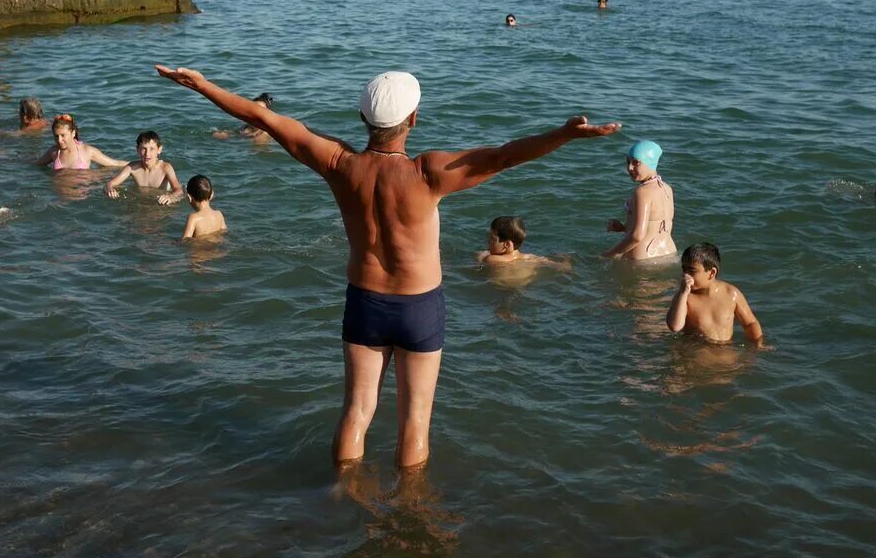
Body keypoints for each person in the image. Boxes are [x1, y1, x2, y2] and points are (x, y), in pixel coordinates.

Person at [154, 63, 620, 469]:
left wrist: (201, 84)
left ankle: (340, 499)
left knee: (356, 410)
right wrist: (563, 135)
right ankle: (407, 513)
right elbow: (502, 156)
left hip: (365, 302)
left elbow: (263, 116)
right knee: (415, 419)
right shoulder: (427, 173)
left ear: (362, 118)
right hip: (419, 306)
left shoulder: (340, 164)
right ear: (413, 119)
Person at [667, 243, 764, 345]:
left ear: (712, 273)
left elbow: (750, 323)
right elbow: (675, 326)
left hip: (726, 354)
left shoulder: (731, 293)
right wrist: (682, 293)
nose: (685, 275)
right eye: (684, 269)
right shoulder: (685, 297)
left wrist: (758, 344)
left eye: (691, 271)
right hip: (696, 356)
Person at [605, 139, 676, 259]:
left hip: (643, 258)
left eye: (636, 163)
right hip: (669, 253)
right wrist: (624, 228)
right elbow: (654, 224)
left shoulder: (642, 192)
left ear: (650, 162)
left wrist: (609, 254)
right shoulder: (667, 188)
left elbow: (637, 236)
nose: (629, 168)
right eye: (627, 162)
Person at [105, 130, 182, 203]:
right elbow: (110, 183)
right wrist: (110, 189)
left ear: (159, 150)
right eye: (144, 149)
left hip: (160, 203)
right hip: (142, 200)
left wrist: (170, 197)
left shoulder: (165, 168)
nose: (147, 153)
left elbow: (178, 190)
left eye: (152, 149)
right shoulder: (132, 168)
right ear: (137, 150)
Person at [35, 113, 127, 171]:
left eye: (63, 135)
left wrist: (137, 164)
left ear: (73, 133)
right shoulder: (54, 152)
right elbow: (37, 164)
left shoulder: (87, 151)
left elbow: (114, 163)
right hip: (59, 198)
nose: (59, 140)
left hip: (80, 199)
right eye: (56, 136)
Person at [477, 216, 560, 266]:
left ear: (506, 244)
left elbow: (480, 261)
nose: (488, 241)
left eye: (492, 238)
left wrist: (480, 256)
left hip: (502, 291)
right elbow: (554, 264)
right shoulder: (531, 258)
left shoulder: (491, 259)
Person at [182, 174, 227, 238]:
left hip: (199, 248)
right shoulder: (219, 215)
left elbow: (184, 241)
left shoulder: (193, 218)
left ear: (190, 197)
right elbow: (224, 233)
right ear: (212, 195)